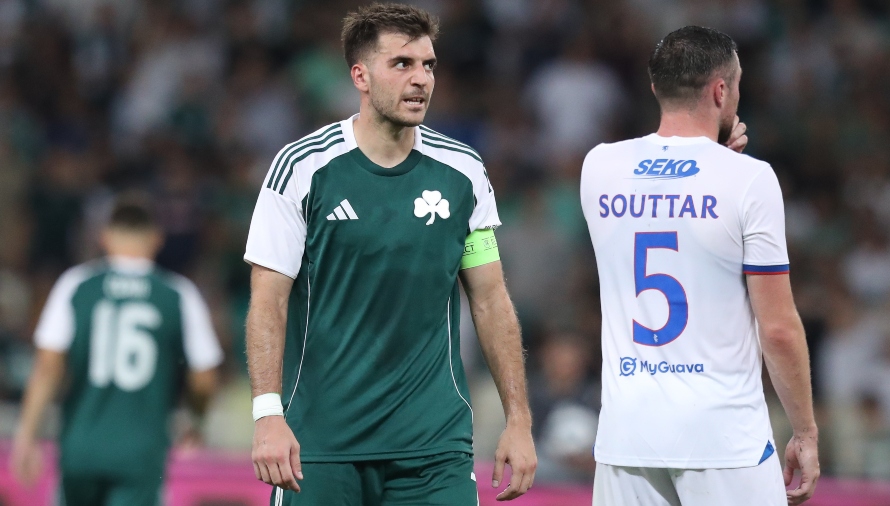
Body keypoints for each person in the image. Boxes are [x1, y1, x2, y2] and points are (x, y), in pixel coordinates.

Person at [243, 3, 536, 505]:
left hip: (434, 446)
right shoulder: (302, 167)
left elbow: (490, 299)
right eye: (402, 64)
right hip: (321, 443)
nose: (421, 79)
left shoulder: (463, 171)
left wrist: (519, 419)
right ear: (360, 76)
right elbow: (269, 300)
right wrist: (268, 413)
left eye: (428, 65)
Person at [580, 26, 819, 506]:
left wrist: (715, 156)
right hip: (723, 438)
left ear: (656, 87)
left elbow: (665, 202)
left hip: (627, 438)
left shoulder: (598, 166)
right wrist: (805, 432)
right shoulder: (750, 179)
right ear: (721, 90)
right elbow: (777, 329)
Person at [10, 197, 223, 506]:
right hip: (141, 449)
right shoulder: (178, 294)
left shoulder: (76, 285)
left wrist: (27, 435)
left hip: (81, 444)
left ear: (105, 237)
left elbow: (47, 367)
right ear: (156, 239)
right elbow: (204, 378)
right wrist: (196, 420)